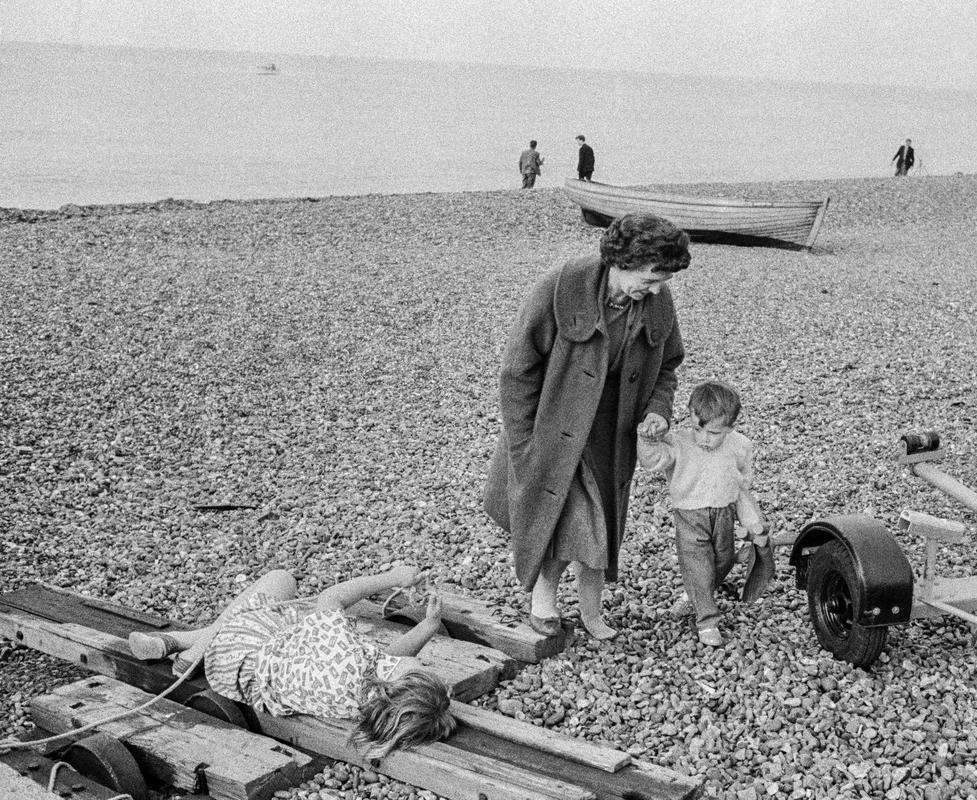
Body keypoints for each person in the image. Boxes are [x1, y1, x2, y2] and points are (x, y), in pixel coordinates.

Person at [483, 213, 690, 641]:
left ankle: (592, 613)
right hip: (552, 434)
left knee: (601, 528)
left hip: (610, 437)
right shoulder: (558, 287)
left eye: (662, 282)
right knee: (559, 520)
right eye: (651, 278)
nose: (655, 290)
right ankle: (544, 602)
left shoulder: (658, 301)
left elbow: (668, 365)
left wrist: (658, 408)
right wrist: (524, 445)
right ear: (624, 260)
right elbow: (516, 373)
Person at [127, 565, 456, 758]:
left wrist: (392, 577)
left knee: (281, 580)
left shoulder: (349, 656)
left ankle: (190, 651)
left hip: (238, 652)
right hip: (246, 680)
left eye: (421, 668)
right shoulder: (366, 703)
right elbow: (388, 662)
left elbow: (332, 597)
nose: (417, 661)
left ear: (396, 681)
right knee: (296, 620)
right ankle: (178, 643)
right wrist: (427, 626)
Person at [636, 380, 766, 647]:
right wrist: (647, 440)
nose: (704, 439)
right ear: (691, 417)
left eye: (714, 433)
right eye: (698, 428)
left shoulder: (740, 447)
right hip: (690, 516)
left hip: (724, 513)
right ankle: (707, 621)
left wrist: (755, 525)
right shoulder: (680, 443)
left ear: (730, 428)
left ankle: (695, 595)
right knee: (698, 565)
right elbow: (653, 461)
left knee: (725, 560)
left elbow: (741, 489)